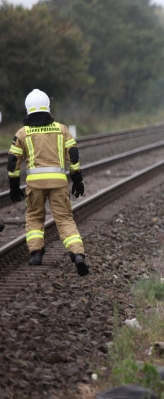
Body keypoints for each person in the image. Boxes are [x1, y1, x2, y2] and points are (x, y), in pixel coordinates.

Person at [7, 89, 89, 276]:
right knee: (65, 220)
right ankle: (77, 255)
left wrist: (13, 184)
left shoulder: (22, 133)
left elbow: (13, 161)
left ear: (27, 108)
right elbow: (74, 155)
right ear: (48, 106)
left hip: (35, 185)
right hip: (58, 183)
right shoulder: (61, 129)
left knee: (35, 218)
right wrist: (77, 179)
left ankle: (36, 253)